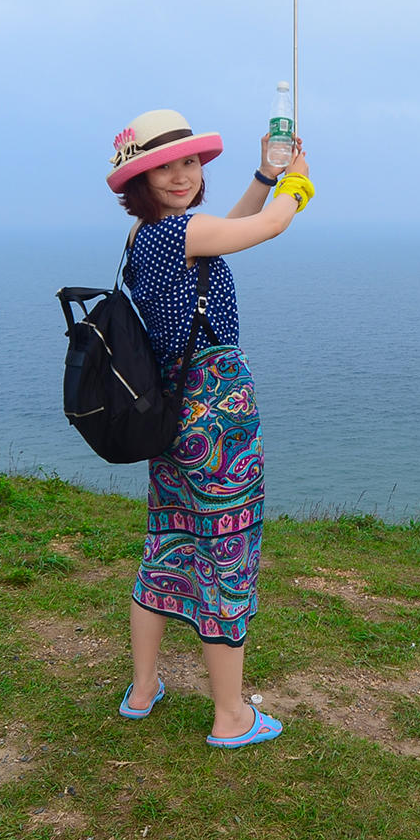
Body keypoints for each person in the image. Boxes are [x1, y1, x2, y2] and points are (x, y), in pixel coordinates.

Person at [103, 108, 312, 749]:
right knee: (227, 550)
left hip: (170, 410)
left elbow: (228, 229)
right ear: (139, 179)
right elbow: (266, 226)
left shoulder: (146, 235)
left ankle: (143, 690)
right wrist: (297, 185)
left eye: (190, 162)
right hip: (216, 412)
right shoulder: (182, 232)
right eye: (164, 167)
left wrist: (264, 175)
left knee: (168, 541)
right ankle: (231, 717)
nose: (181, 175)